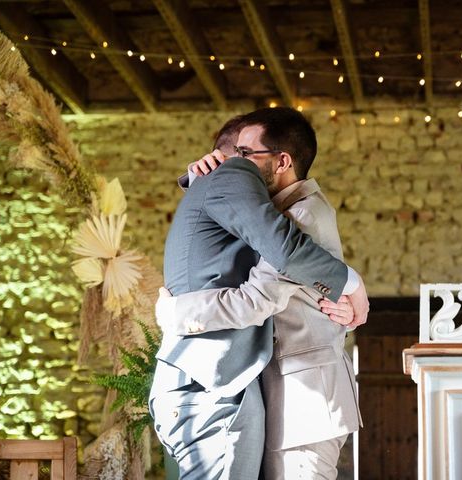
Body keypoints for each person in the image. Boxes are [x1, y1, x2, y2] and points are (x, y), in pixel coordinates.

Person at [149, 110, 369, 480]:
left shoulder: (302, 217)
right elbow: (234, 224)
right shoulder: (278, 211)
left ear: (282, 161)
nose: (234, 160)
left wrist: (176, 314)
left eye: (245, 153)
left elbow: (256, 299)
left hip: (307, 404)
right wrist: (201, 181)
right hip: (287, 398)